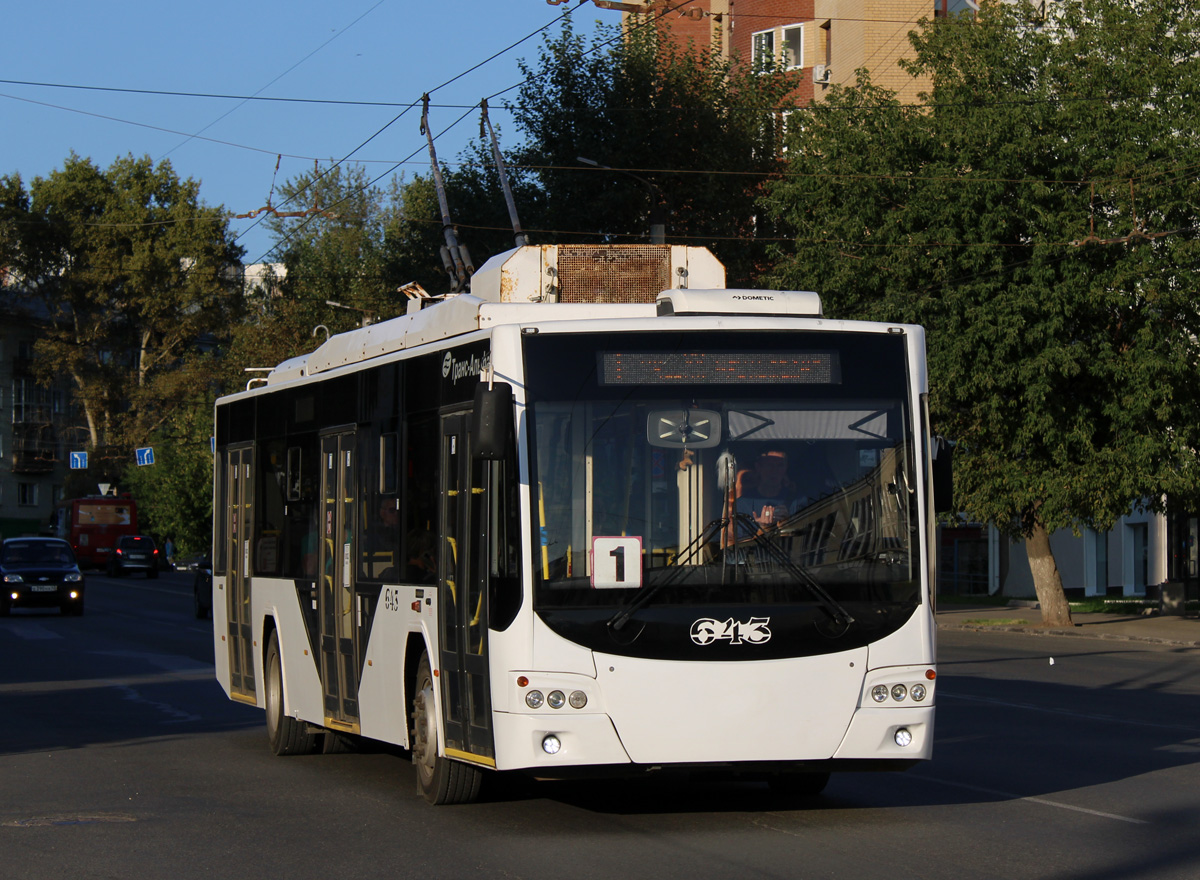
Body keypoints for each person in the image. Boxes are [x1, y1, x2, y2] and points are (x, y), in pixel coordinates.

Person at [735, 450, 802, 534]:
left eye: (780, 465)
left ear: (786, 468)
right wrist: (761, 528)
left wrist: (787, 524)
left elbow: (805, 537)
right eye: (769, 465)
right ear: (758, 467)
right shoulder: (742, 505)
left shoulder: (798, 502)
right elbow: (734, 542)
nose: (774, 470)